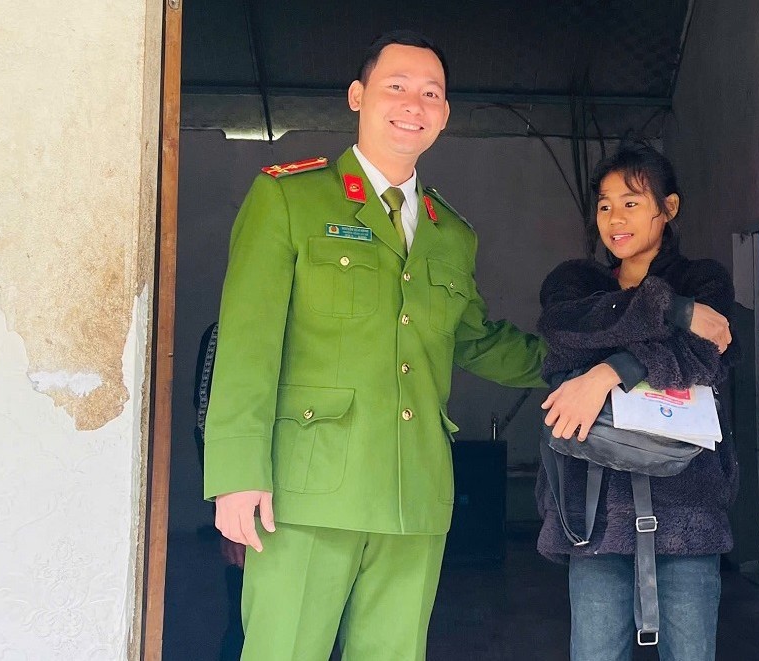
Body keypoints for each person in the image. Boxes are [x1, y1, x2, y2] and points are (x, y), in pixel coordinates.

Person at [202, 30, 547, 661]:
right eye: (397, 87)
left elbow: (474, 339)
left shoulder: (452, 233)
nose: (413, 104)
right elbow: (247, 345)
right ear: (358, 96)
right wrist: (236, 476)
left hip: (413, 493)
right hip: (304, 494)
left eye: (431, 94)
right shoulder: (289, 198)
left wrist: (590, 366)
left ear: (444, 115)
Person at [536, 141, 738, 661]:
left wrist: (608, 371)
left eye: (631, 201)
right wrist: (673, 313)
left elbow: (706, 356)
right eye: (605, 204)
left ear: (668, 209)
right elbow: (564, 337)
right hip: (595, 511)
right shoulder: (575, 285)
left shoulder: (704, 280)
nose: (615, 218)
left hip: (687, 507)